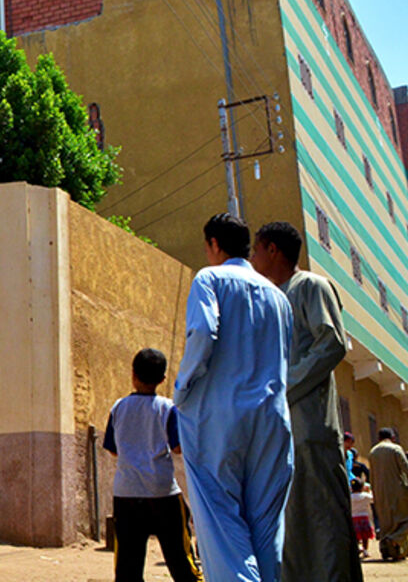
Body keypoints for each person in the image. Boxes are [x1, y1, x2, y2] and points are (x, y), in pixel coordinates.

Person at [176, 214, 293, 582]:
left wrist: (182, 388)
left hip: (218, 418)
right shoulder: (279, 297)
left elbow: (203, 332)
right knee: (266, 528)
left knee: (221, 522)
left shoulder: (209, 278)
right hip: (272, 419)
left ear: (214, 244)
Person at [252, 221, 363, 581]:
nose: (252, 258)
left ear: (273, 250)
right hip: (279, 431)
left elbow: (331, 344)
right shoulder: (270, 297)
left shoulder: (311, 287)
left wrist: (284, 386)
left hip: (311, 428)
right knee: (291, 524)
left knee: (322, 520)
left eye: (256, 250)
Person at [102, 349, 202, 582]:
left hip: (126, 494)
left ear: (133, 375)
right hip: (162, 492)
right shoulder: (167, 408)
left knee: (128, 566)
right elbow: (177, 448)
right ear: (163, 379)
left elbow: (113, 449)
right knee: (181, 558)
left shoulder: (118, 408)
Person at [369, 428, 408, 561]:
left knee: (386, 523)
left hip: (379, 492)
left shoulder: (373, 452)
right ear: (392, 437)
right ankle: (394, 539)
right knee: (403, 520)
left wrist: (374, 492)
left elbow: (371, 475)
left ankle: (386, 549)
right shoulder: (395, 449)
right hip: (398, 491)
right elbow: (405, 468)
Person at [351, 479, 374, 559]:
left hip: (353, 518)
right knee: (365, 536)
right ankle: (365, 550)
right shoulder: (366, 496)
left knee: (356, 536)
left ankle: (357, 548)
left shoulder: (350, 497)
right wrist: (369, 491)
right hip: (364, 517)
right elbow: (372, 499)